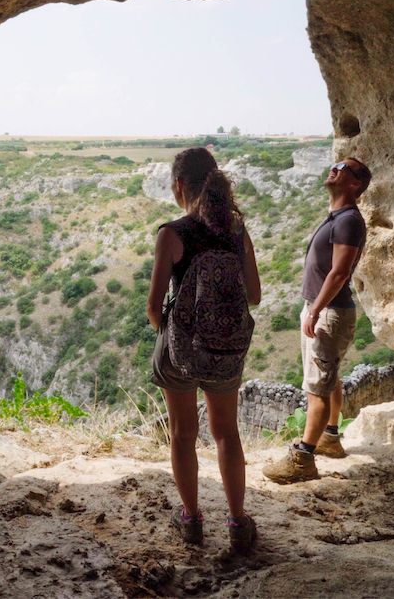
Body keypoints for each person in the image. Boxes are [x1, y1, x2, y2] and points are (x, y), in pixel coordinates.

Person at [147, 147, 261, 551]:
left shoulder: (171, 234)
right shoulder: (236, 231)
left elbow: (153, 307)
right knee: (227, 433)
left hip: (181, 353)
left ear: (179, 186)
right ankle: (236, 522)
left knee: (182, 434)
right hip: (226, 350)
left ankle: (192, 520)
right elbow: (255, 296)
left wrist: (177, 339)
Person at [262, 157, 371, 484]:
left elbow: (339, 272)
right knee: (329, 377)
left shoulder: (349, 220)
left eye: (345, 167)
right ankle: (330, 438)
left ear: (355, 184)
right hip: (326, 310)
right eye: (336, 163)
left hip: (328, 312)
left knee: (317, 389)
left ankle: (303, 459)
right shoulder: (339, 217)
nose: (335, 167)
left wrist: (315, 310)